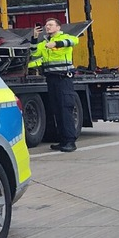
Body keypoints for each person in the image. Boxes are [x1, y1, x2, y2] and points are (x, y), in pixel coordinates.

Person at [32, 18, 80, 152]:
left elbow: (74, 41)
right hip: (51, 80)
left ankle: (70, 142)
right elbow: (34, 53)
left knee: (66, 109)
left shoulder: (65, 38)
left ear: (58, 27)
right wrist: (35, 38)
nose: (47, 27)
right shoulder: (44, 43)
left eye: (51, 25)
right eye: (46, 25)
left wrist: (56, 44)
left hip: (64, 79)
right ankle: (63, 140)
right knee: (57, 110)